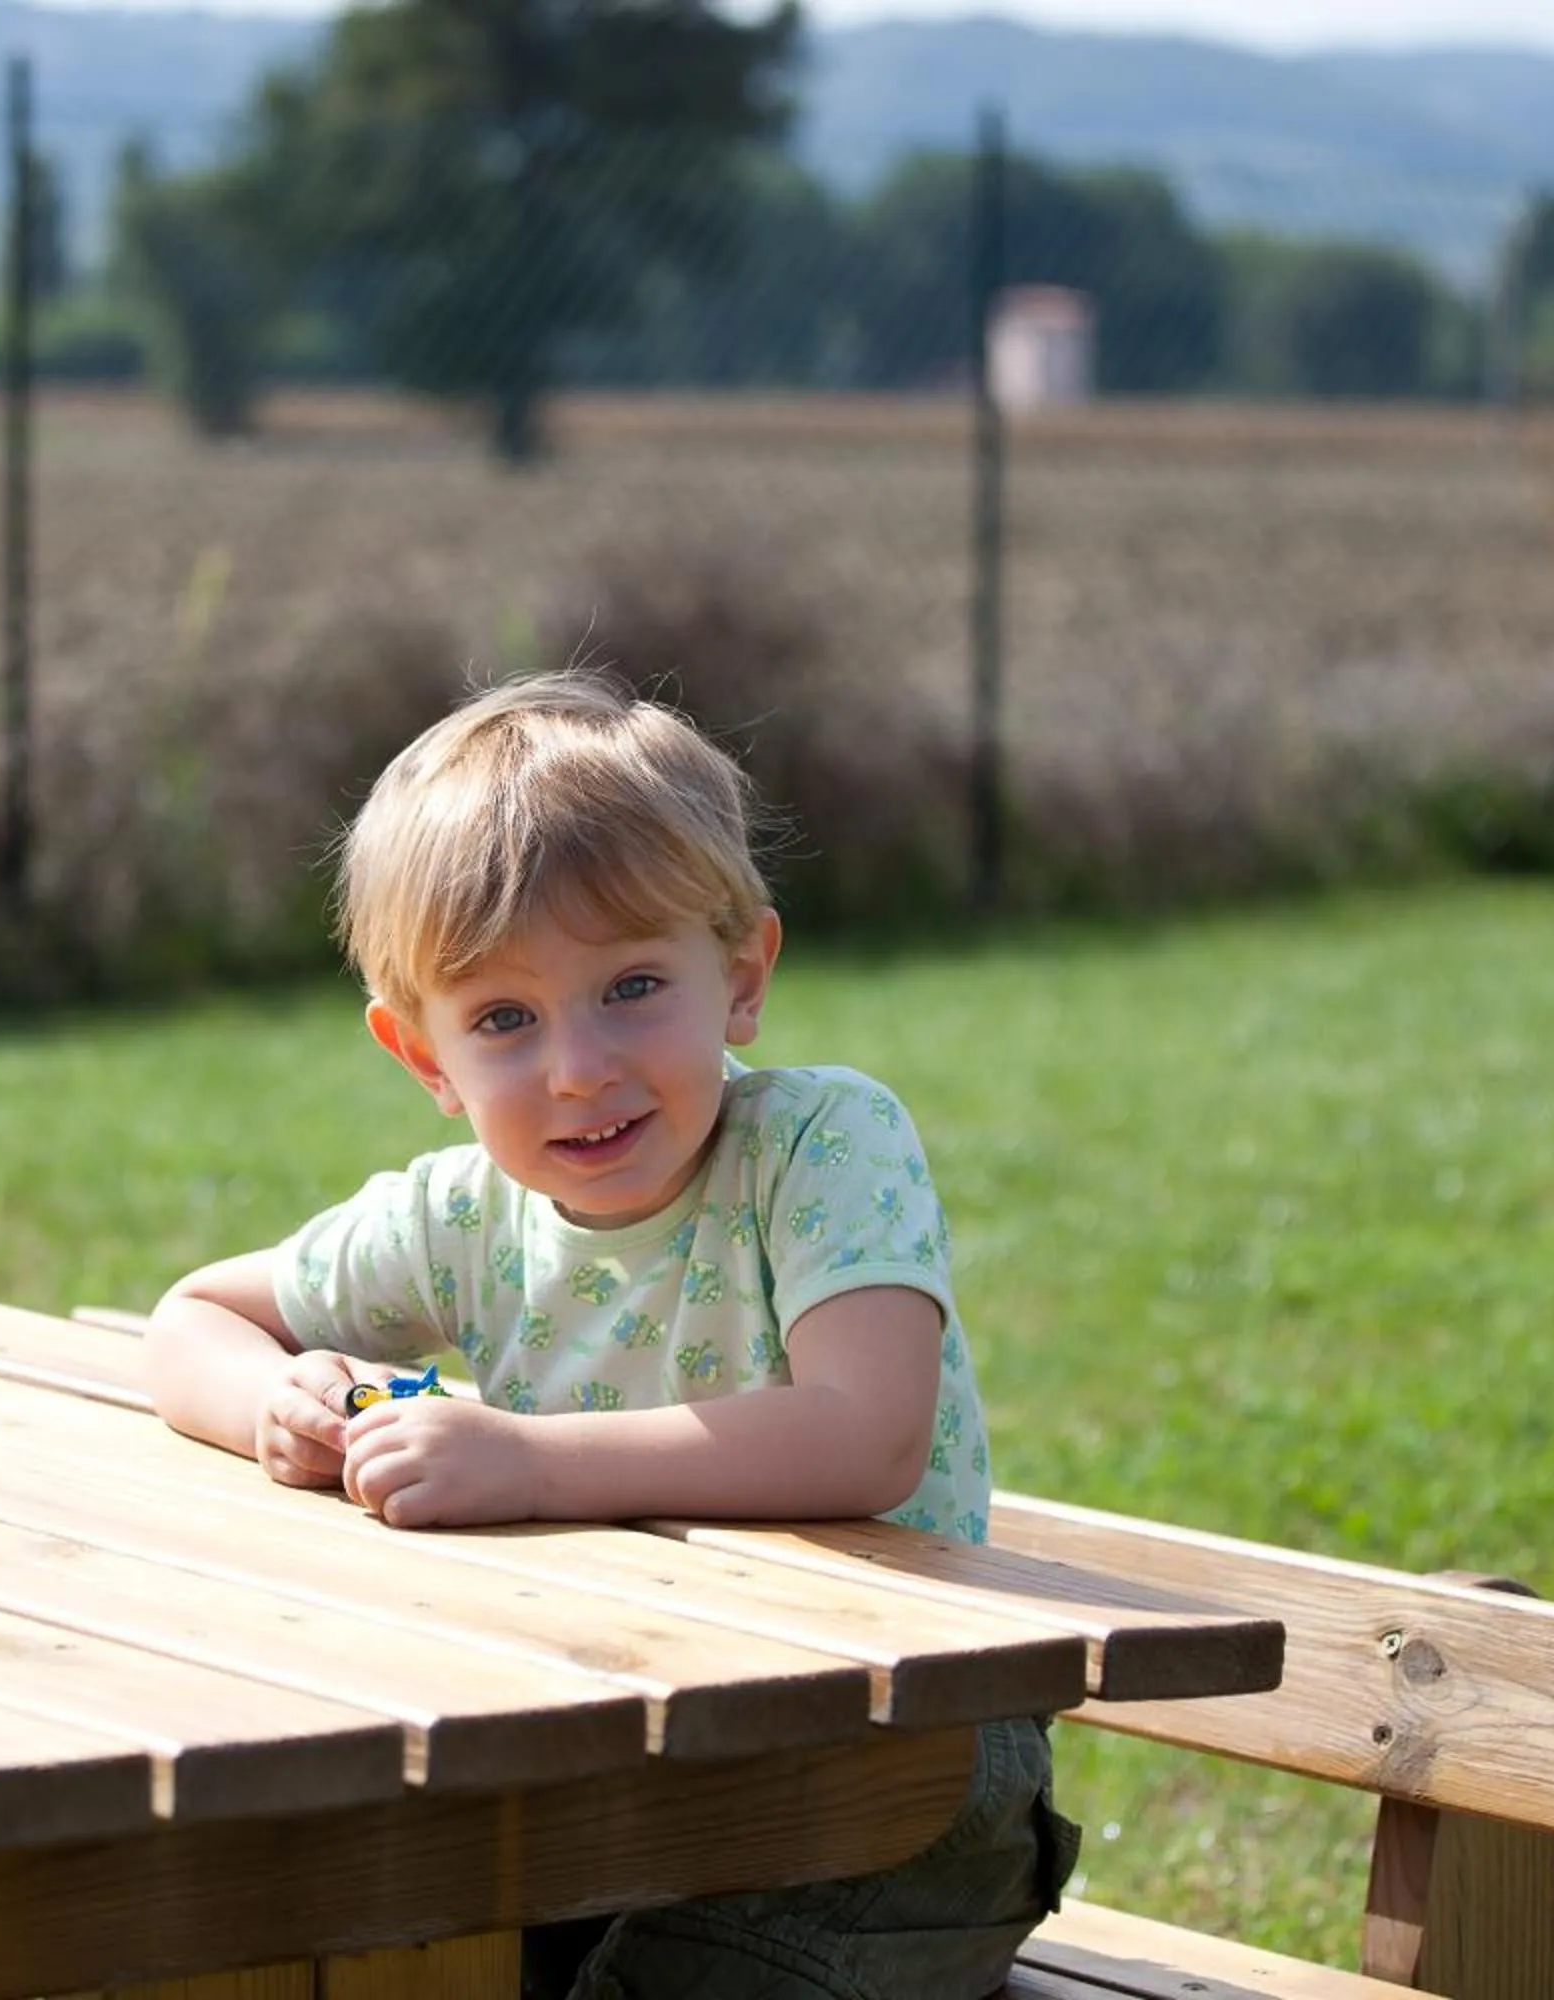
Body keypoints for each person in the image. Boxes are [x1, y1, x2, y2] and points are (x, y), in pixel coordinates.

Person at [146, 668, 1078, 2000]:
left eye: (632, 986)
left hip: (895, 1767)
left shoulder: (819, 1143)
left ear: (742, 977)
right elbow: (196, 1316)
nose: (578, 1067)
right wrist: (281, 1407)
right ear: (425, 1061)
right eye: (505, 1021)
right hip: (612, 1757)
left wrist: (529, 1463)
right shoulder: (459, 1213)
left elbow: (867, 1438)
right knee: (295, 1933)